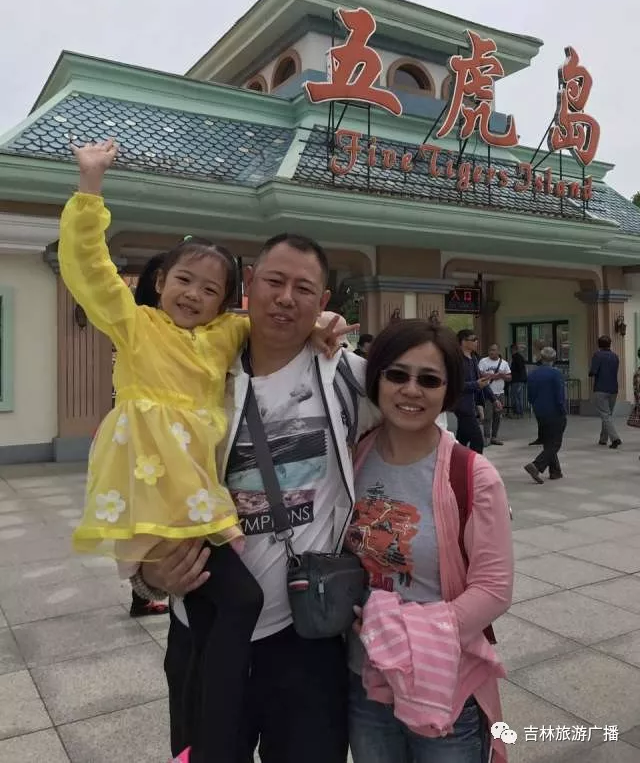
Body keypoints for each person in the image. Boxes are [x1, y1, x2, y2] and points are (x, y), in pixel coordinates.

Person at [58, 141, 342, 763]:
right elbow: (89, 269)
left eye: (209, 288)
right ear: (159, 282)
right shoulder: (137, 328)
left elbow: (290, 319)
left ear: (225, 300)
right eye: (183, 280)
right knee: (236, 601)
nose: (192, 294)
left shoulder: (228, 341)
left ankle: (210, 742)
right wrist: (90, 188)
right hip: (160, 497)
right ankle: (211, 744)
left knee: (231, 608)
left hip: (272, 600)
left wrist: (325, 325)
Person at [137, 232, 379, 763]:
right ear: (249, 284)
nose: (286, 298)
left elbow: (418, 428)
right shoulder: (195, 367)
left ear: (322, 301)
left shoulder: (347, 376)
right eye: (274, 281)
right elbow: (142, 479)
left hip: (305, 635)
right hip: (202, 628)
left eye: (304, 289)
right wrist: (148, 574)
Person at [345, 319, 513, 763]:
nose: (411, 390)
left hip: (444, 689)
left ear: (448, 390)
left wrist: (409, 634)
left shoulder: (473, 475)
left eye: (429, 380)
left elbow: (494, 589)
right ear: (377, 379)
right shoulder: (352, 456)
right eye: (397, 375)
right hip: (366, 683)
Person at [524, 347, 567, 484]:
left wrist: (535, 405)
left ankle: (555, 471)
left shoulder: (532, 374)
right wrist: (562, 410)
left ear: (541, 358)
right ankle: (536, 465)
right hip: (554, 411)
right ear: (554, 359)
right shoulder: (556, 374)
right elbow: (559, 395)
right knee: (555, 443)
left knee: (548, 441)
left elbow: (530, 395)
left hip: (539, 411)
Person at [453, 330, 494, 454]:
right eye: (473, 339)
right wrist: (476, 384)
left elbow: (480, 380)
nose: (476, 342)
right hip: (462, 406)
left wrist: (493, 399)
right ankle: (475, 465)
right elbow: (456, 385)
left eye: (477, 339)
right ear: (463, 342)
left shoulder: (474, 358)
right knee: (477, 440)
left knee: (462, 439)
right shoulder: (457, 360)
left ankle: (452, 461)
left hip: (472, 404)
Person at [589, 335, 621, 449]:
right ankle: (603, 439)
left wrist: (590, 372)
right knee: (607, 415)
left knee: (605, 415)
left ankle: (615, 438)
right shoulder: (615, 356)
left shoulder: (597, 355)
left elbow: (593, 371)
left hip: (601, 388)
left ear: (599, 345)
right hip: (613, 389)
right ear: (610, 344)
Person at [478, 345, 511, 446]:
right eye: (490, 350)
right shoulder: (483, 361)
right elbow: (479, 374)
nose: (491, 352)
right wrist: (492, 376)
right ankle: (486, 437)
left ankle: (494, 437)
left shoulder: (504, 363)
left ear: (498, 351)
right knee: (488, 416)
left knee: (497, 416)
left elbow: (509, 377)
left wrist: (502, 375)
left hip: (500, 393)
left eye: (493, 350)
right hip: (488, 393)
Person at [509, 343, 527, 418]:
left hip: (516, 380)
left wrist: (511, 371)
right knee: (519, 396)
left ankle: (517, 412)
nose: (510, 351)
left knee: (515, 396)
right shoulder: (520, 357)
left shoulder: (515, 357)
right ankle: (520, 412)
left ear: (513, 349)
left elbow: (518, 369)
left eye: (511, 350)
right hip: (520, 380)